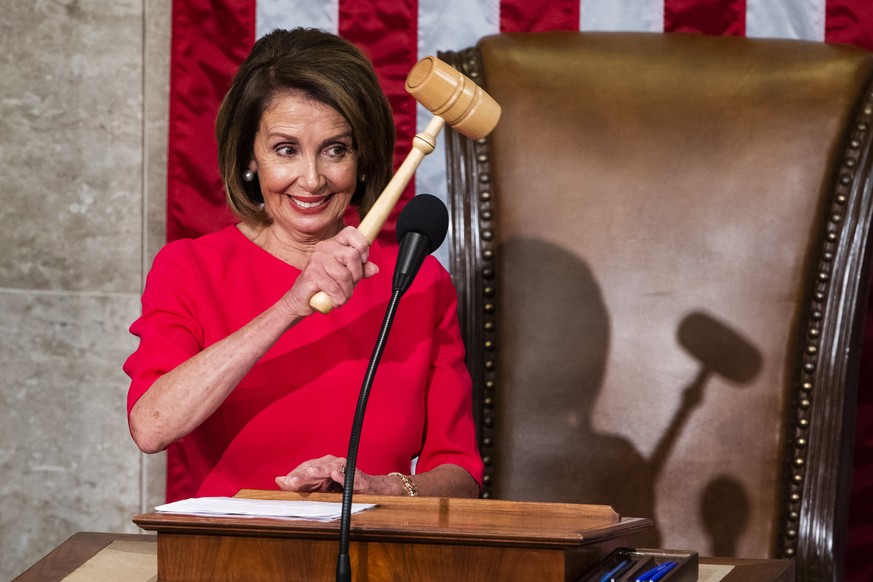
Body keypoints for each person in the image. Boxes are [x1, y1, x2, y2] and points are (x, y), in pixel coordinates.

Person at [124, 27, 483, 502]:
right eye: (286, 149)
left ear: (362, 160)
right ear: (250, 156)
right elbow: (152, 428)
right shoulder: (190, 268)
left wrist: (379, 488)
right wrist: (292, 304)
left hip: (379, 557)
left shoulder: (418, 282)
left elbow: (461, 475)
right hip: (230, 559)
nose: (311, 180)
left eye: (336, 149)